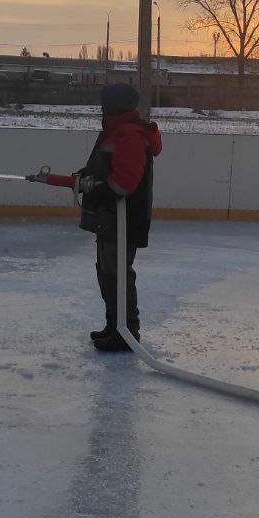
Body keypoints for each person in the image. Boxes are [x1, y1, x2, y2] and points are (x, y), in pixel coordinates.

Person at [77, 82, 163, 352]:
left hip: (122, 220)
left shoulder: (129, 135)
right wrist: (85, 176)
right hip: (110, 218)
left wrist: (99, 191)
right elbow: (106, 168)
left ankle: (127, 332)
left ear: (113, 106)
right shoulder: (114, 132)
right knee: (106, 272)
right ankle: (115, 325)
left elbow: (125, 182)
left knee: (117, 275)